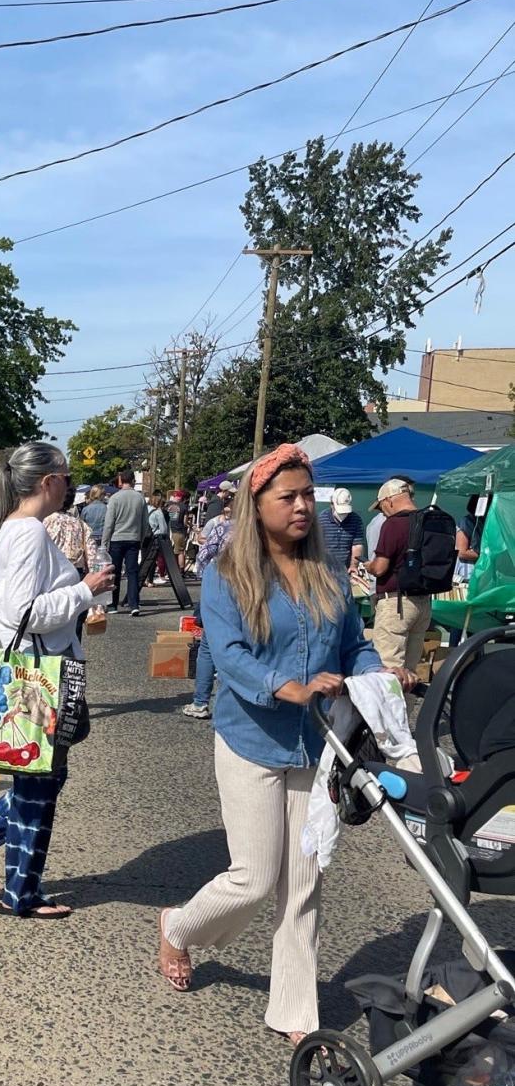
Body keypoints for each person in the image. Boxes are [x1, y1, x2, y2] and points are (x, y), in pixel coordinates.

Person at [157, 444, 415, 1036]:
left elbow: (353, 644)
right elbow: (231, 656)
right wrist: (287, 686)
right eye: (288, 497)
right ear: (258, 505)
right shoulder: (228, 577)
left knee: (304, 880)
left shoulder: (327, 576)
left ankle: (295, 1012)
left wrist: (378, 670)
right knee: (253, 877)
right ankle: (178, 928)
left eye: (307, 495)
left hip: (317, 744)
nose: (302, 507)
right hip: (250, 738)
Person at [0, 441, 111, 918]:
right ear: (48, 482)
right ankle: (20, 892)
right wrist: (85, 589)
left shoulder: (10, 531)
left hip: (21, 675)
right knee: (39, 785)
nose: (70, 485)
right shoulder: (28, 535)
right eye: (66, 476)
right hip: (33, 681)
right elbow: (25, 613)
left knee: (41, 780)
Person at [362, 477, 433, 672]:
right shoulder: (428, 519)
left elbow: (380, 568)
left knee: (388, 669)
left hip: (397, 603)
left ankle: (389, 704)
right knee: (410, 672)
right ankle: (407, 704)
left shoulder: (393, 524)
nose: (383, 512)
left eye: (381, 507)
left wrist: (369, 566)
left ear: (389, 500)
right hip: (423, 602)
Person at [182, 491, 235, 721]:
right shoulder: (264, 532)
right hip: (254, 592)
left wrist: (208, 579)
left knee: (208, 646)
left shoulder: (223, 529)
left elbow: (203, 555)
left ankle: (201, 702)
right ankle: (231, 705)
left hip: (223, 587)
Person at [101, 471, 150, 616]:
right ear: (133, 481)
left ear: (121, 481)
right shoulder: (140, 498)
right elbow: (145, 522)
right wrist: (140, 539)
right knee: (132, 572)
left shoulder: (115, 498)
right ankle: (134, 604)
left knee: (114, 573)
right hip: (133, 538)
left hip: (116, 538)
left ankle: (112, 605)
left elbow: (109, 523)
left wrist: (104, 543)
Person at [320, 486, 365, 577]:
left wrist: (353, 566)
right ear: (332, 504)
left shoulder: (356, 519)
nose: (343, 515)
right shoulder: (321, 519)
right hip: (325, 570)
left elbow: (357, 545)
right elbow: (316, 545)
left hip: (346, 570)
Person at [147, 492, 171, 583]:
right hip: (155, 537)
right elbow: (164, 529)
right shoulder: (158, 512)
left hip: (145, 537)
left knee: (145, 559)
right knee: (153, 559)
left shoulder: (146, 509)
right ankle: (150, 580)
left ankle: (144, 579)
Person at [165, 488, 191, 572]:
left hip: (168, 530)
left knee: (170, 551)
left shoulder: (168, 505)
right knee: (180, 552)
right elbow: (185, 522)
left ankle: (170, 569)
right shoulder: (184, 507)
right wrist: (190, 525)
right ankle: (181, 570)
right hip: (179, 531)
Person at [79, 484, 108, 554]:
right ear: (101, 495)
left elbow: (82, 526)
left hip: (89, 537)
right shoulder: (106, 508)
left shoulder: (85, 509)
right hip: (102, 537)